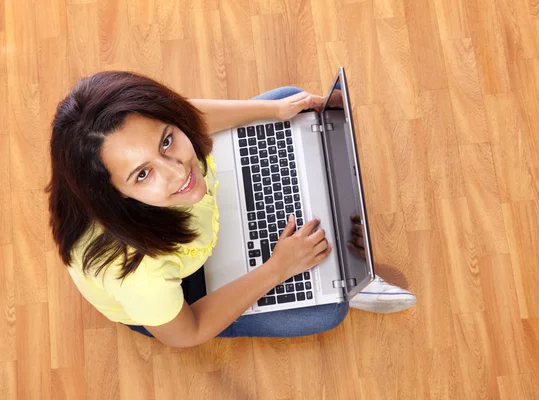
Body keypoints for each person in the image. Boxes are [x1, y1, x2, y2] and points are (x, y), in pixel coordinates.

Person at [46, 71, 416, 348]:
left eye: (167, 140)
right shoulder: (134, 273)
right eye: (143, 174)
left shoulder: (162, 160)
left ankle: (326, 266)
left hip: (194, 230)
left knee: (290, 102)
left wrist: (275, 109)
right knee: (327, 312)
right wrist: (277, 268)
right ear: (111, 192)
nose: (179, 173)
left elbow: (190, 114)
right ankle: (337, 278)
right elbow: (185, 333)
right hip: (184, 294)